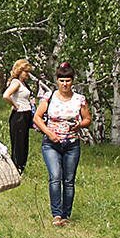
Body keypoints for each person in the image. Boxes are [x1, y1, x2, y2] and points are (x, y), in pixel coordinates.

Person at [32, 63, 92, 225]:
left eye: (68, 80)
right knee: (55, 176)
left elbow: (88, 119)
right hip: (51, 144)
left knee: (69, 180)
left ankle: (66, 214)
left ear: (72, 81)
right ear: (57, 81)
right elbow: (37, 117)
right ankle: (56, 214)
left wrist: (79, 125)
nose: (65, 84)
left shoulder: (79, 99)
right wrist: (49, 133)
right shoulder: (49, 97)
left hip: (72, 143)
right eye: (61, 80)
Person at [1, 59, 38, 174]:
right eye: (25, 72)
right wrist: (15, 105)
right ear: (19, 71)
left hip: (25, 115)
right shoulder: (16, 82)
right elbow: (6, 95)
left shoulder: (23, 84)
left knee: (24, 142)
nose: (27, 75)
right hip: (19, 115)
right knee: (18, 143)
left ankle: (21, 166)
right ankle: (16, 168)